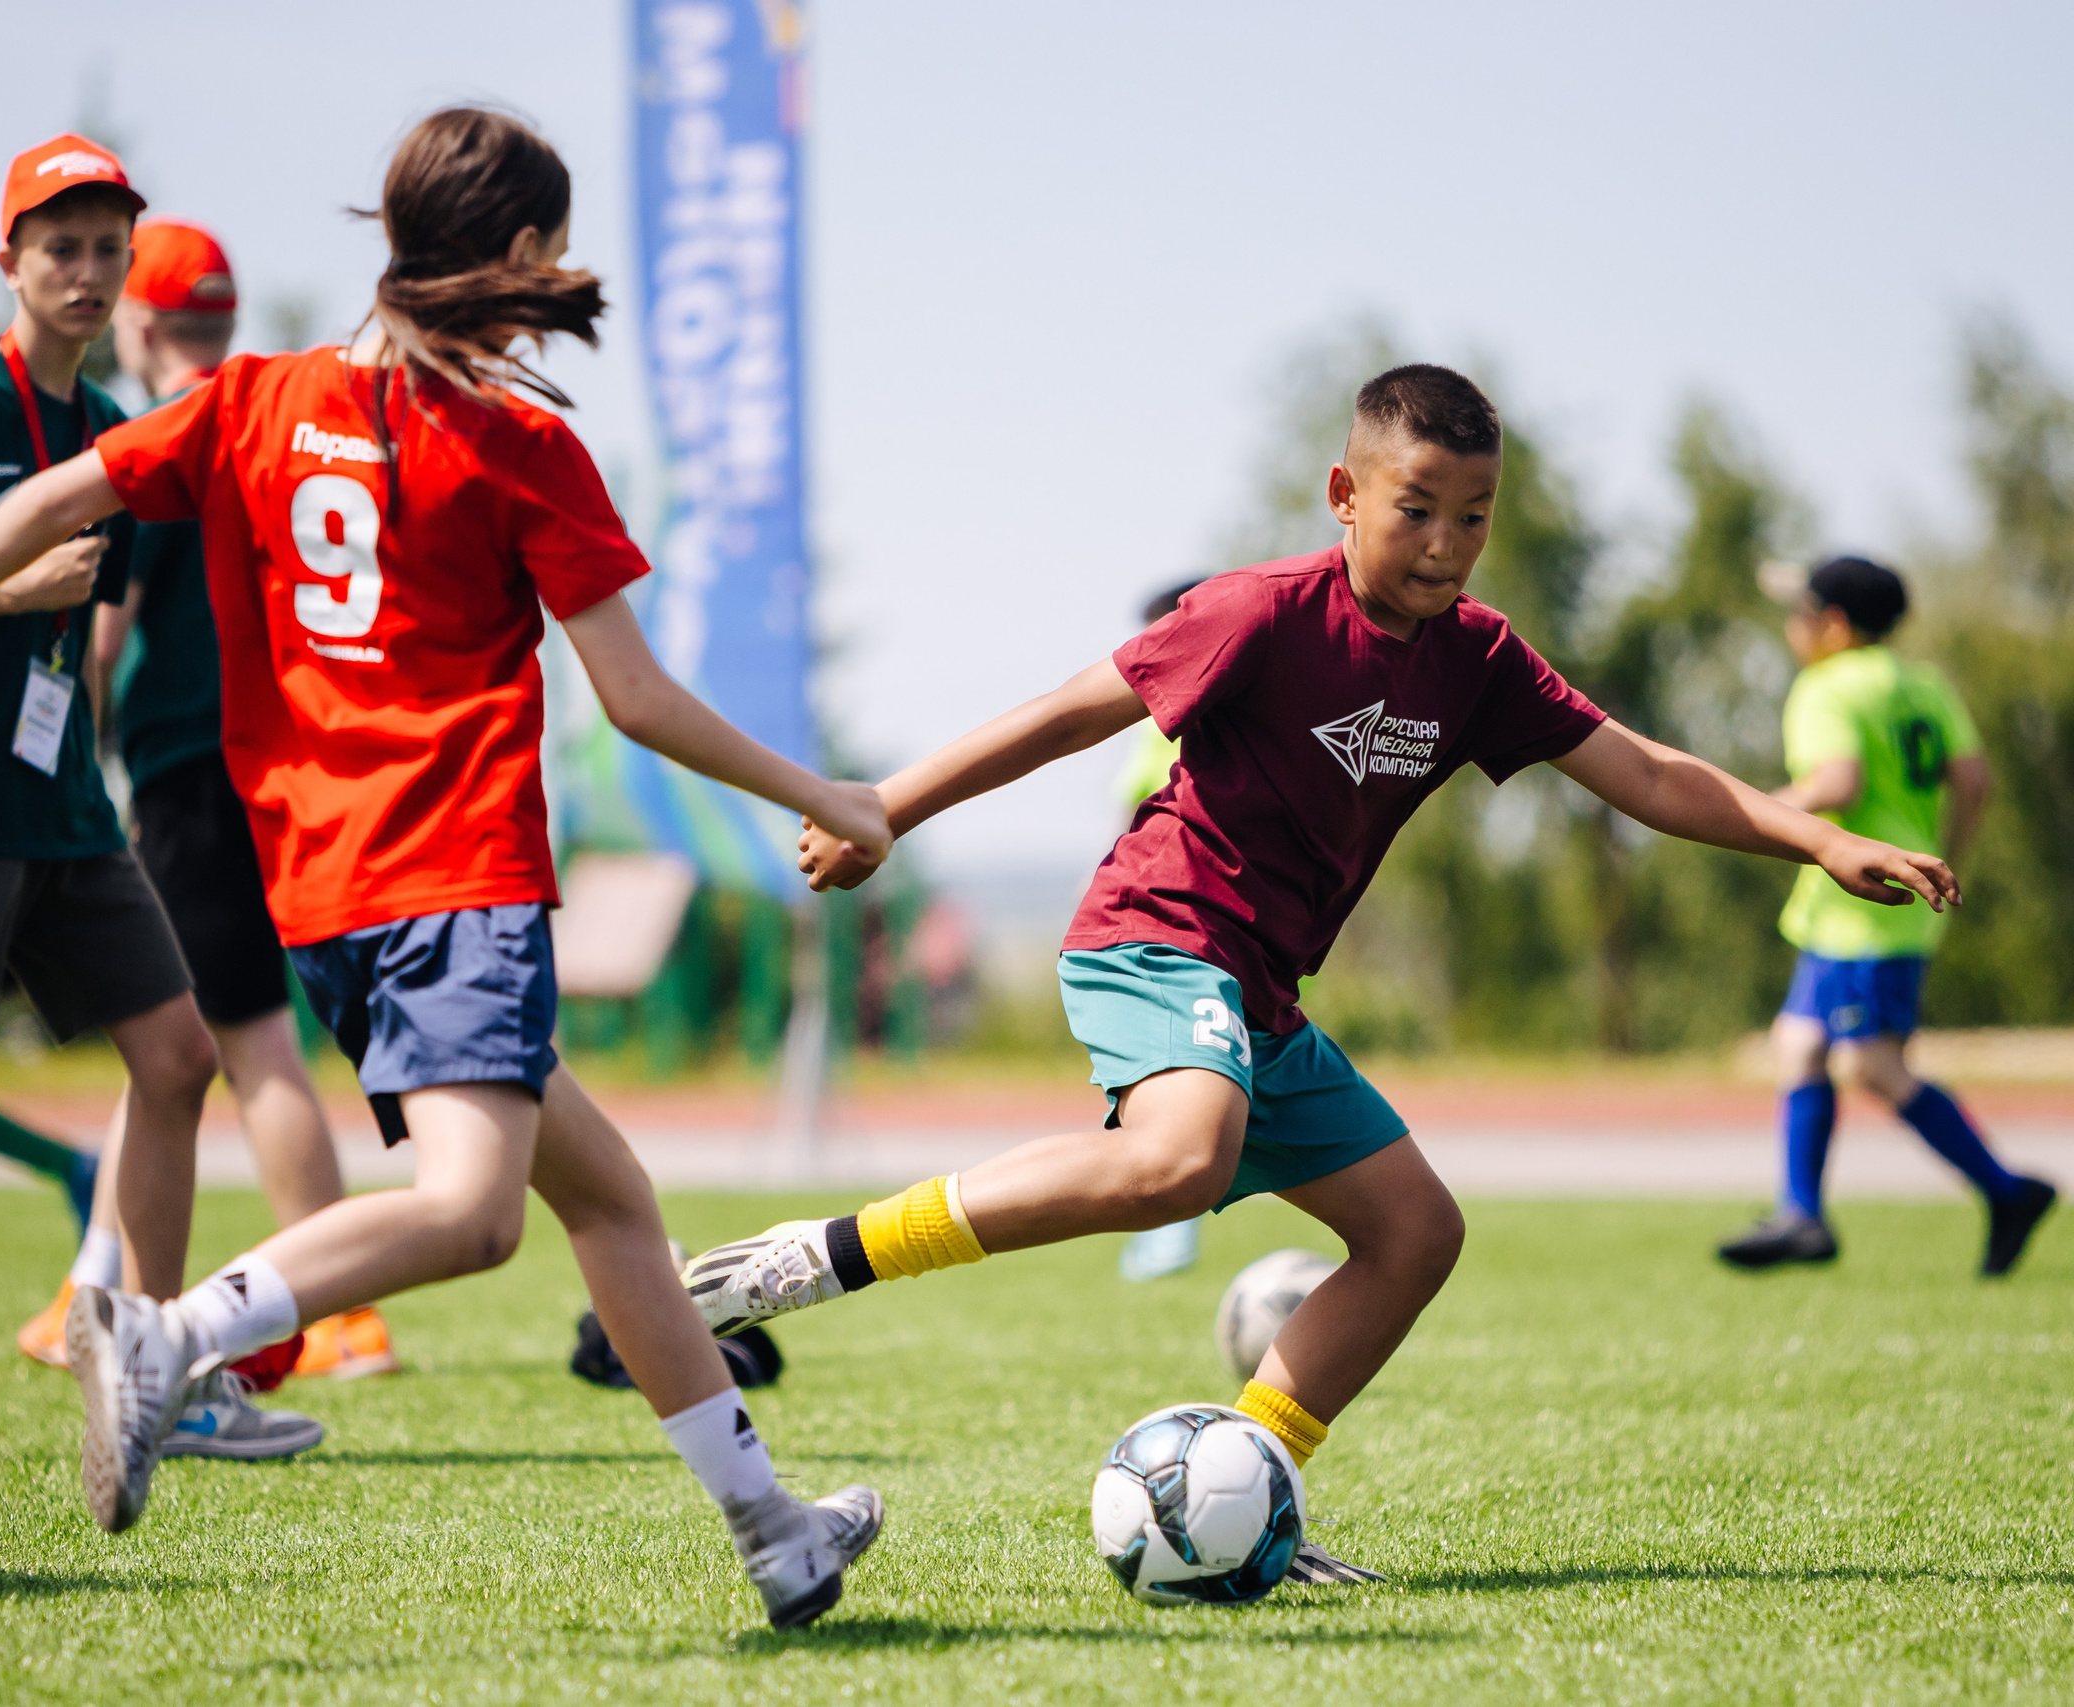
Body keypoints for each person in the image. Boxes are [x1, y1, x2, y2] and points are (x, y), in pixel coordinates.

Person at [678, 364, 1961, 1583]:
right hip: (1157, 931)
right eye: (1418, 510)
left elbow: (1650, 776)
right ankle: (813, 1259)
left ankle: (1250, 1491)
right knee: (1177, 1159)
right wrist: (884, 806)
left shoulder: (1478, 658)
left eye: (1475, 516)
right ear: (1345, 496)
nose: (1448, 543)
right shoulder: (1262, 609)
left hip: (1261, 991)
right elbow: (1072, 710)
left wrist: (1818, 835)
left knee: (1415, 1233)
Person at [0, 108, 894, 1628]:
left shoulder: (255, 398)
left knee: (611, 1202)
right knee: (477, 1209)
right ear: (529, 255)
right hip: (458, 869)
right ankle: (170, 1335)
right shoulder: (519, 439)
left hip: (330, 885)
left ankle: (775, 1528)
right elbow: (638, 698)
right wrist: (833, 794)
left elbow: (54, 493)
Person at [0, 135, 312, 1468]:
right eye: (62, 248)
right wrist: (6, 590)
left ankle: (156, 1362)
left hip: (69, 803)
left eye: (106, 250)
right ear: (12, 262)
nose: (87, 273)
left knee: (180, 1053)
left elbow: (116, 619)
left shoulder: (107, 431)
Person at [11, 215, 399, 1385]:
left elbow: (101, 632)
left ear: (136, 320)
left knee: (242, 1043)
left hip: (191, 772)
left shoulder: (169, 436)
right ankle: (96, 1283)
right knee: (170, 1039)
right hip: (293, 765)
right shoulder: (293, 421)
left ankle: (340, 1313)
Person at [1717, 556, 2056, 1274]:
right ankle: (1801, 1213)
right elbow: (1976, 780)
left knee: (1871, 1066)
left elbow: (1839, 779)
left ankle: (2005, 1190)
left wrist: (1751, 814)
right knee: (1799, 1043)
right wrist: (1943, 857)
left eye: (1801, 612)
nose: (1792, 626)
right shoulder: (1920, 682)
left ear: (1834, 625)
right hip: (1898, 901)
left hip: (1861, 909)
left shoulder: (1827, 685)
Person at [1108, 579, 1207, 1285]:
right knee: (1171, 1091)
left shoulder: (1205, 715)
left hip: (1216, 934)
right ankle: (1166, 1227)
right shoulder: (1153, 730)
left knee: (1186, 1095)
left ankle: (1169, 1224)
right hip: (1164, 935)